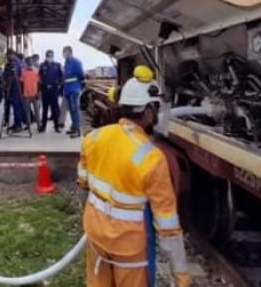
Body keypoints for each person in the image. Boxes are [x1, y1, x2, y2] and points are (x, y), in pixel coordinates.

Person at [78, 76, 190, 287]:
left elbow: (83, 183)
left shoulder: (94, 137)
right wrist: (180, 275)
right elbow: (167, 225)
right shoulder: (152, 158)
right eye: (156, 107)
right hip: (129, 248)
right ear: (148, 111)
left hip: (95, 234)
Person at [63, 46, 85, 138]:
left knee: (75, 109)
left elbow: (81, 75)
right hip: (68, 90)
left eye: (66, 52)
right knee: (71, 110)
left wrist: (77, 84)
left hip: (74, 89)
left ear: (70, 52)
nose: (64, 54)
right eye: (64, 53)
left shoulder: (76, 62)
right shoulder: (66, 63)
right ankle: (73, 126)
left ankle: (77, 130)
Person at [39, 50, 64, 133]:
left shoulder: (57, 65)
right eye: (48, 56)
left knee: (54, 109)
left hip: (54, 90)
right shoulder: (42, 65)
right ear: (46, 56)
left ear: (53, 56)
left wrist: (59, 85)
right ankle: (43, 127)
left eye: (51, 56)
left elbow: (61, 77)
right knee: (45, 109)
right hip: (45, 90)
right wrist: (41, 86)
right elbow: (39, 77)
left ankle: (56, 127)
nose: (50, 57)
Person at [3, 49, 27, 132]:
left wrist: (7, 84)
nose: (7, 57)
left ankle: (19, 125)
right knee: (13, 106)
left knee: (17, 106)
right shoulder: (9, 63)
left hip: (16, 87)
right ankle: (16, 123)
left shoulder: (16, 63)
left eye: (8, 56)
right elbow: (5, 74)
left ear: (12, 54)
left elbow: (14, 76)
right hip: (11, 87)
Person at [21, 56, 41, 130]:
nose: (29, 63)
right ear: (26, 63)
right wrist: (22, 94)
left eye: (30, 61)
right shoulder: (23, 72)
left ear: (32, 62)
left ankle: (39, 124)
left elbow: (39, 83)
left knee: (37, 110)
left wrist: (38, 93)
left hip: (35, 94)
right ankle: (28, 125)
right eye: (28, 61)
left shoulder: (36, 71)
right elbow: (21, 83)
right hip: (26, 94)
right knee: (27, 111)